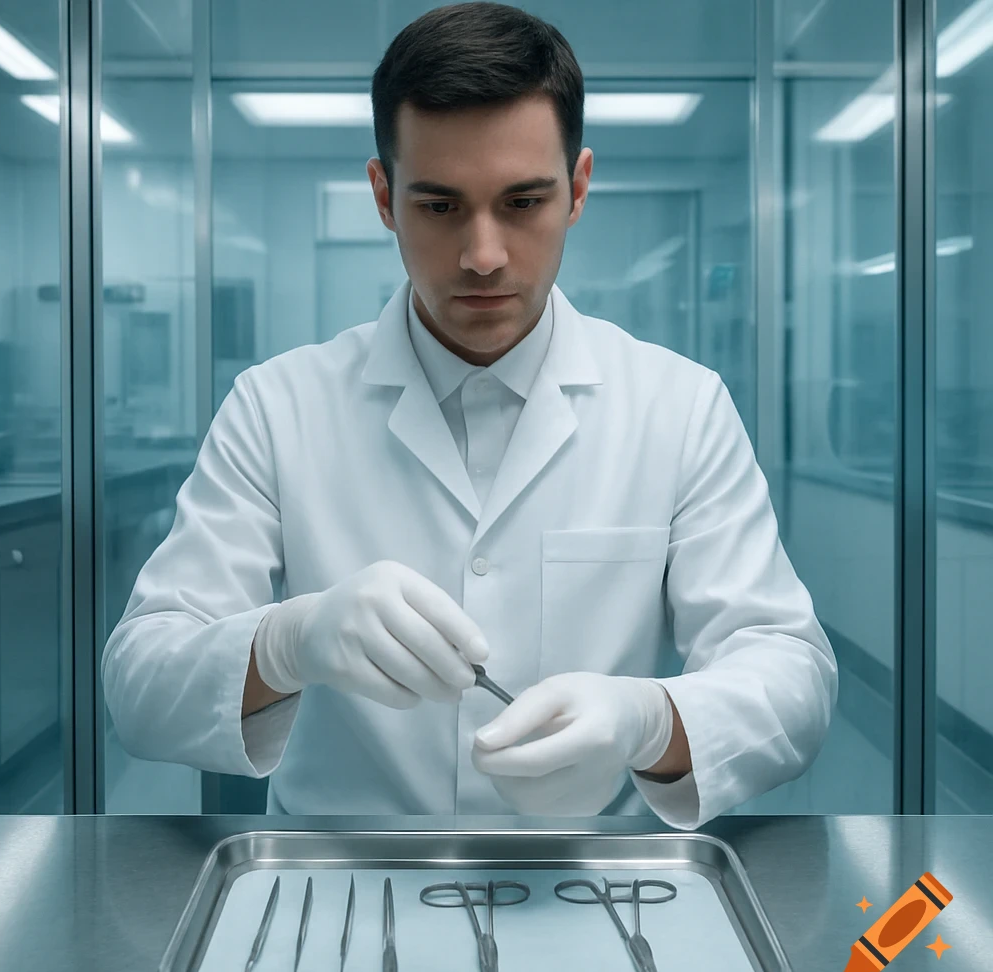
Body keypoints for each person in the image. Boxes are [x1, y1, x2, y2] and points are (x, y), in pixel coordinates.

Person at [102, 2, 837, 828]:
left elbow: (794, 676)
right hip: (338, 875)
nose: (483, 256)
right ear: (384, 197)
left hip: (592, 876)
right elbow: (138, 684)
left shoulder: (679, 407)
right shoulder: (277, 408)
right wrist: (287, 642)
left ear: (577, 190)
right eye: (440, 206)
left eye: (522, 202)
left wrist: (648, 722)